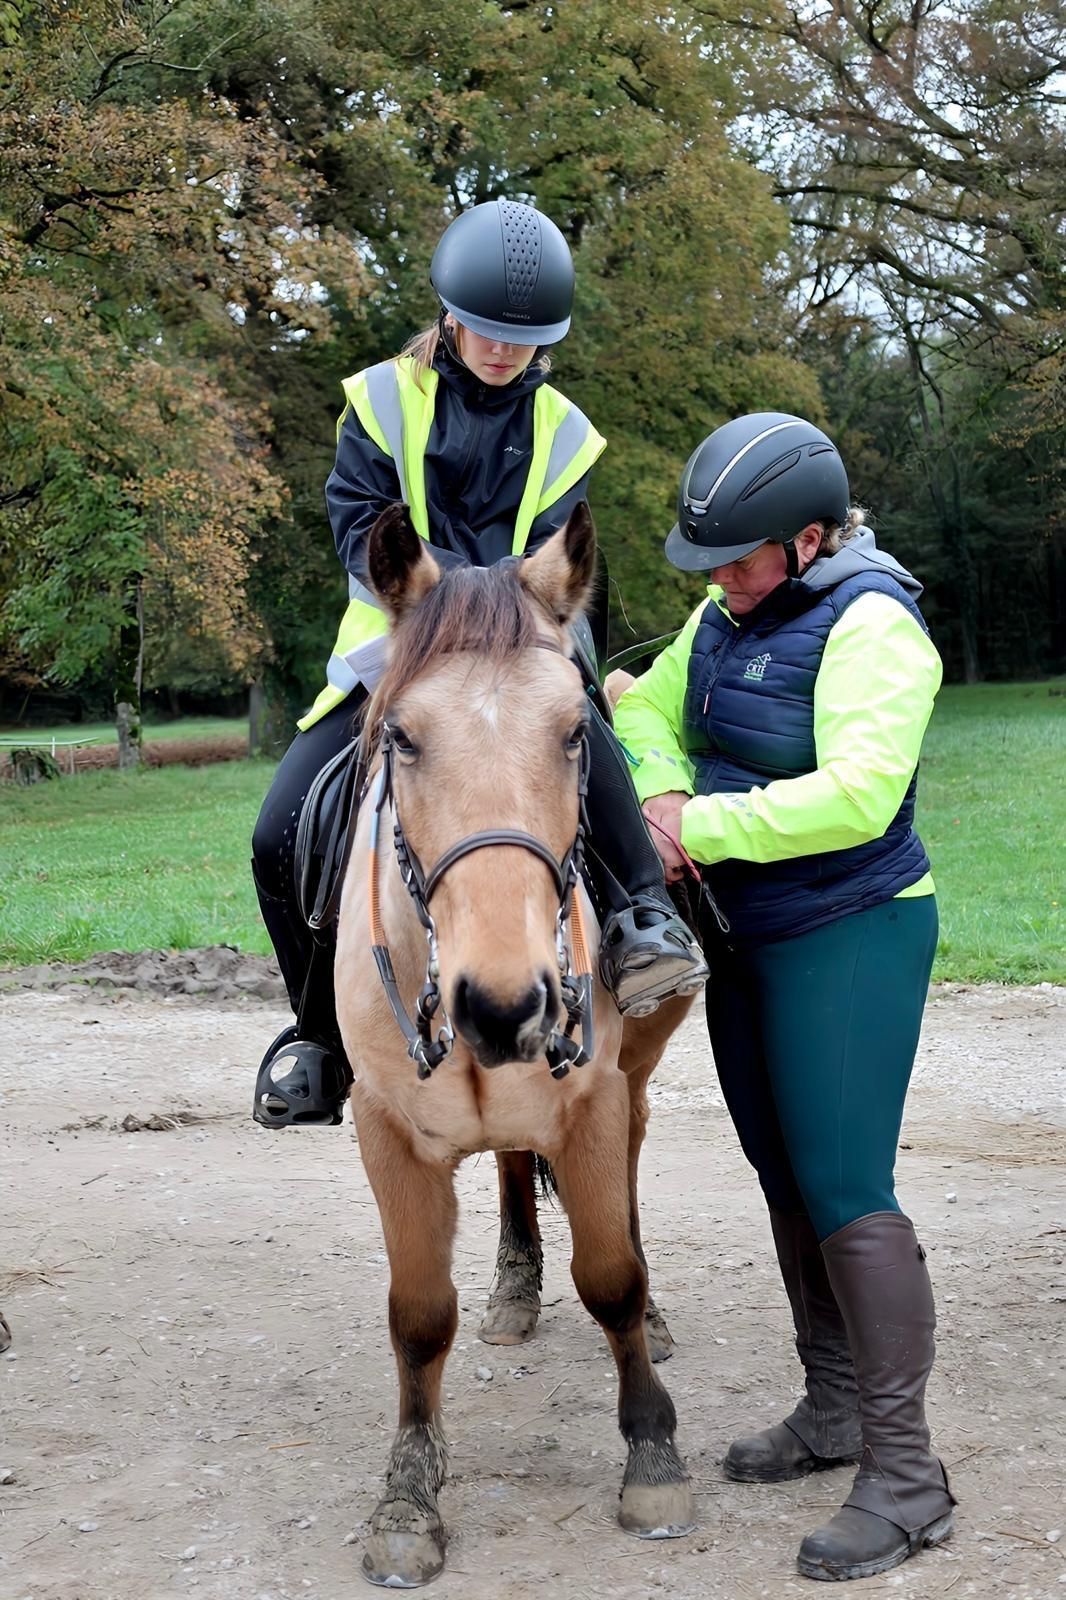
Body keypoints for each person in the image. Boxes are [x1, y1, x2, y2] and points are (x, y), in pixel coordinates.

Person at [250, 199, 706, 1128]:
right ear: (451, 316)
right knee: (278, 829)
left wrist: (520, 620)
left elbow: (556, 549)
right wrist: (441, 602)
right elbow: (359, 528)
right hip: (400, 645)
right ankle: (318, 1036)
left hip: (527, 642)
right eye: (489, 332)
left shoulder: (566, 429)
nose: (504, 351)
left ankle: (641, 918)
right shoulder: (381, 399)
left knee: (593, 749)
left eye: (525, 339)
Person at [614, 413, 955, 1582]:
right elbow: (639, 706)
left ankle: (908, 1476)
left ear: (809, 539)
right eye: (707, 561)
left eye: (740, 559)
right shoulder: (725, 613)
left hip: (850, 933)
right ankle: (836, 1406)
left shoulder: (874, 624)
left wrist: (695, 826)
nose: (715, 580)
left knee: (847, 1185)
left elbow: (860, 794)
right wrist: (661, 793)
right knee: (782, 1169)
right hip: (749, 936)